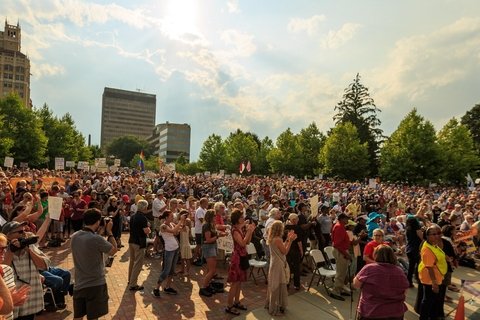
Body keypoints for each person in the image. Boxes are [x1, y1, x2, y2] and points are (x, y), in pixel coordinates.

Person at [70, 208, 118, 320]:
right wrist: (110, 232)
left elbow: (88, 244)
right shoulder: (96, 239)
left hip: (79, 283)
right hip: (95, 284)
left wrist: (98, 234)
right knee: (93, 317)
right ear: (97, 222)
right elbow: (113, 250)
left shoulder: (75, 236)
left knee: (78, 316)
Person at [2, 218, 51, 320]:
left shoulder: (29, 246)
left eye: (24, 230)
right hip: (12, 304)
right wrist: (10, 250)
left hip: (30, 302)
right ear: (8, 235)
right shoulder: (2, 251)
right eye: (20, 231)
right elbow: (2, 270)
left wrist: (28, 250)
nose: (24, 233)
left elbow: (44, 265)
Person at [353, 245, 409, 320]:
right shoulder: (399, 271)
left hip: (372, 312)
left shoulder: (369, 268)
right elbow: (405, 290)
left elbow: (356, 284)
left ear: (375, 255)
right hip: (395, 313)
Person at [225, 209, 255, 316]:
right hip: (237, 258)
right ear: (237, 219)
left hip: (242, 256)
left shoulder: (240, 229)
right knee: (234, 283)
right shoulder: (235, 230)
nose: (243, 218)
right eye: (241, 217)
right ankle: (229, 306)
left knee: (239, 282)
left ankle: (236, 302)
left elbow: (247, 241)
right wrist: (248, 231)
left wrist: (249, 231)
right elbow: (242, 243)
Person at [265, 220, 297, 316]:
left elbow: (281, 247)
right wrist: (290, 241)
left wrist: (287, 239)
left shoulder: (272, 238)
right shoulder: (277, 239)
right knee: (279, 284)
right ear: (280, 229)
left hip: (274, 263)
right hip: (278, 264)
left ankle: (272, 304)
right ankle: (277, 306)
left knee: (274, 284)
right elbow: (285, 251)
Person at [416, 225, 447, 320]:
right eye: (433, 234)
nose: (437, 236)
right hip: (429, 279)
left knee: (433, 300)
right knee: (428, 301)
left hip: (436, 277)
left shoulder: (433, 245)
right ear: (427, 236)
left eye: (437, 233)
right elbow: (429, 267)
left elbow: (438, 256)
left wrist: (448, 259)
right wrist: (434, 283)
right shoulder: (427, 249)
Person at [152, 210, 184, 297]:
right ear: (166, 217)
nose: (172, 218)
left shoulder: (171, 224)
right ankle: (156, 288)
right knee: (166, 270)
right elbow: (174, 231)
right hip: (169, 250)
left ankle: (168, 287)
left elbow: (177, 231)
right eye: (171, 216)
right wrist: (180, 221)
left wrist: (181, 223)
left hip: (175, 249)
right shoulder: (163, 226)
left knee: (172, 270)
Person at [199, 209, 227, 297]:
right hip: (208, 247)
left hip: (212, 246)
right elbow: (208, 240)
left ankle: (207, 285)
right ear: (211, 217)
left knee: (211, 269)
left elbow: (213, 235)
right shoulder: (207, 225)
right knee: (212, 270)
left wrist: (219, 234)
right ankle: (203, 287)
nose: (216, 217)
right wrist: (218, 236)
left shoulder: (211, 225)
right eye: (214, 216)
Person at [127, 199, 151, 291]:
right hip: (139, 242)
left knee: (132, 262)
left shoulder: (133, 216)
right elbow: (146, 231)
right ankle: (133, 284)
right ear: (144, 207)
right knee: (138, 264)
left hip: (131, 240)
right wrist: (148, 227)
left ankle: (130, 280)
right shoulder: (142, 218)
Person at [330, 213, 352, 301]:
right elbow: (337, 244)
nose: (347, 220)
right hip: (340, 252)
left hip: (342, 251)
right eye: (346, 219)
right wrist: (346, 254)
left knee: (343, 272)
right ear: (342, 219)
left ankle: (339, 288)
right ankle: (335, 291)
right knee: (340, 272)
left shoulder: (340, 226)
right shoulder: (339, 227)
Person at [284, 214, 303, 290]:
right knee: (296, 267)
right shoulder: (297, 228)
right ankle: (296, 284)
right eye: (297, 219)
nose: (298, 220)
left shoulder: (285, 227)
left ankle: (287, 283)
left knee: (287, 267)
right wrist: (301, 250)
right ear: (294, 220)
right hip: (295, 249)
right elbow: (299, 241)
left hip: (287, 248)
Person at [405, 216, 423, 287]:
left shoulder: (408, 229)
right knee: (418, 265)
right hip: (416, 248)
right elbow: (421, 237)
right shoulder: (417, 229)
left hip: (409, 248)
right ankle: (418, 279)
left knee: (411, 266)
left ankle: (409, 281)